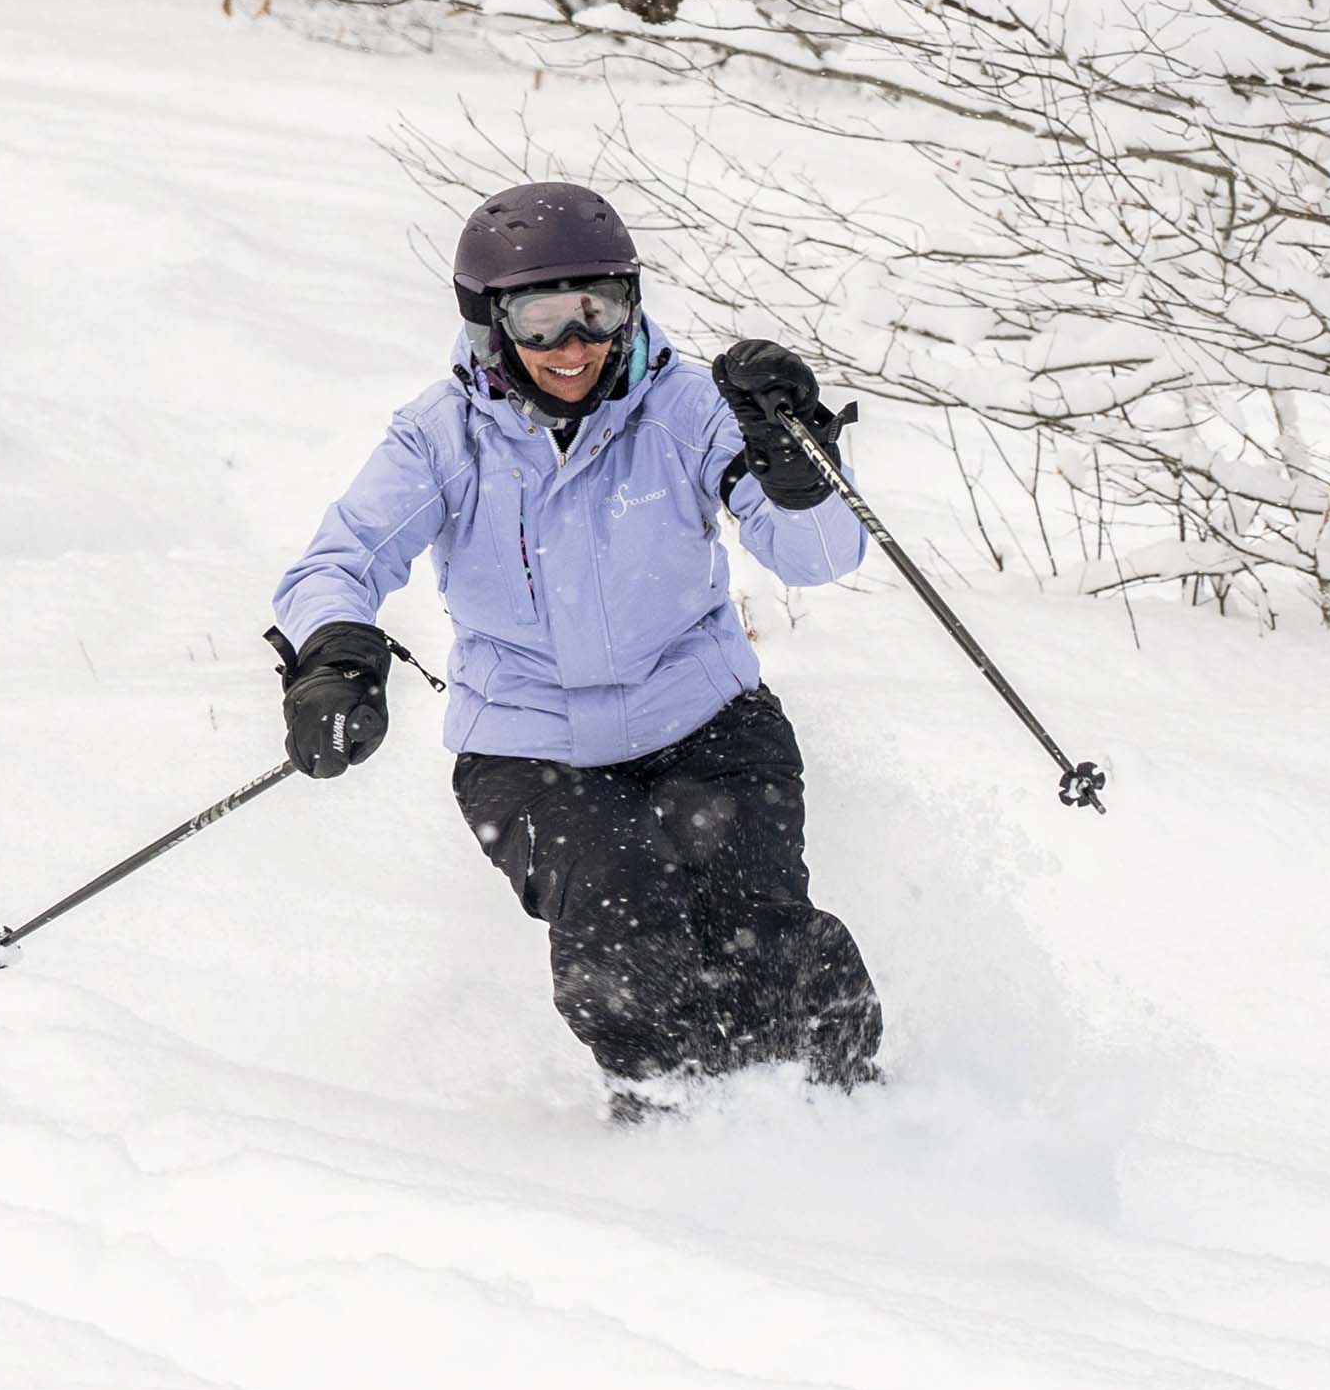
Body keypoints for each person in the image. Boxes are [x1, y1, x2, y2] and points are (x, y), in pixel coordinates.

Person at [267, 181, 882, 1121]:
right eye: (540, 318)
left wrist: (797, 468)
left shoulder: (691, 410)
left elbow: (821, 555)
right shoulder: (444, 437)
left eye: (598, 309)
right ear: (488, 321)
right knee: (625, 914)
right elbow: (337, 561)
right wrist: (334, 653)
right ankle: (669, 1122)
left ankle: (850, 1117)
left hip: (708, 725)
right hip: (530, 751)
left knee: (760, 936)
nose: (574, 345)